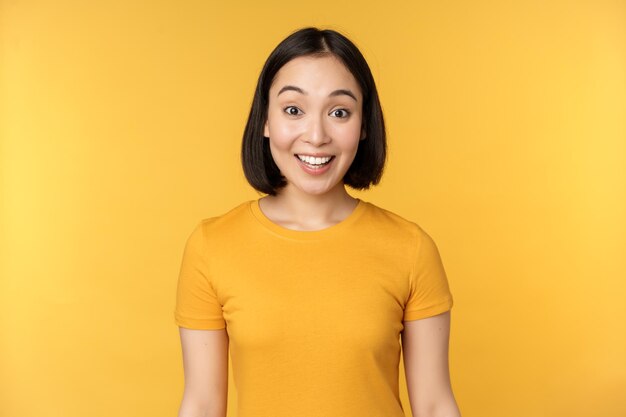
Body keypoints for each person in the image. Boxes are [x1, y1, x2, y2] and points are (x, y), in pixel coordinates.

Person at [174, 26, 461, 417]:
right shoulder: (212, 245)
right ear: (266, 121)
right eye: (294, 110)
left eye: (339, 112)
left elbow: (433, 405)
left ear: (363, 127)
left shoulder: (411, 248)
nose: (316, 135)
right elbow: (203, 405)